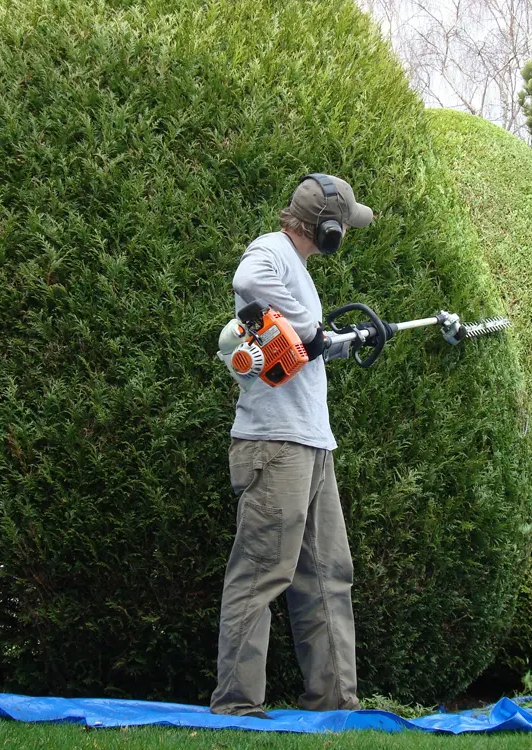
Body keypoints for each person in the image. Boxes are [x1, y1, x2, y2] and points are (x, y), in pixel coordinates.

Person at [209, 174, 376, 719]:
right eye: (343, 226)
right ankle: (237, 707)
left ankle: (335, 705)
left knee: (328, 574)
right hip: (273, 444)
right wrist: (309, 328)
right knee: (261, 573)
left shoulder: (297, 269)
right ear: (326, 230)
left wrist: (337, 343)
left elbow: (302, 348)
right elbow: (246, 278)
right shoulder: (271, 252)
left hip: (310, 441)